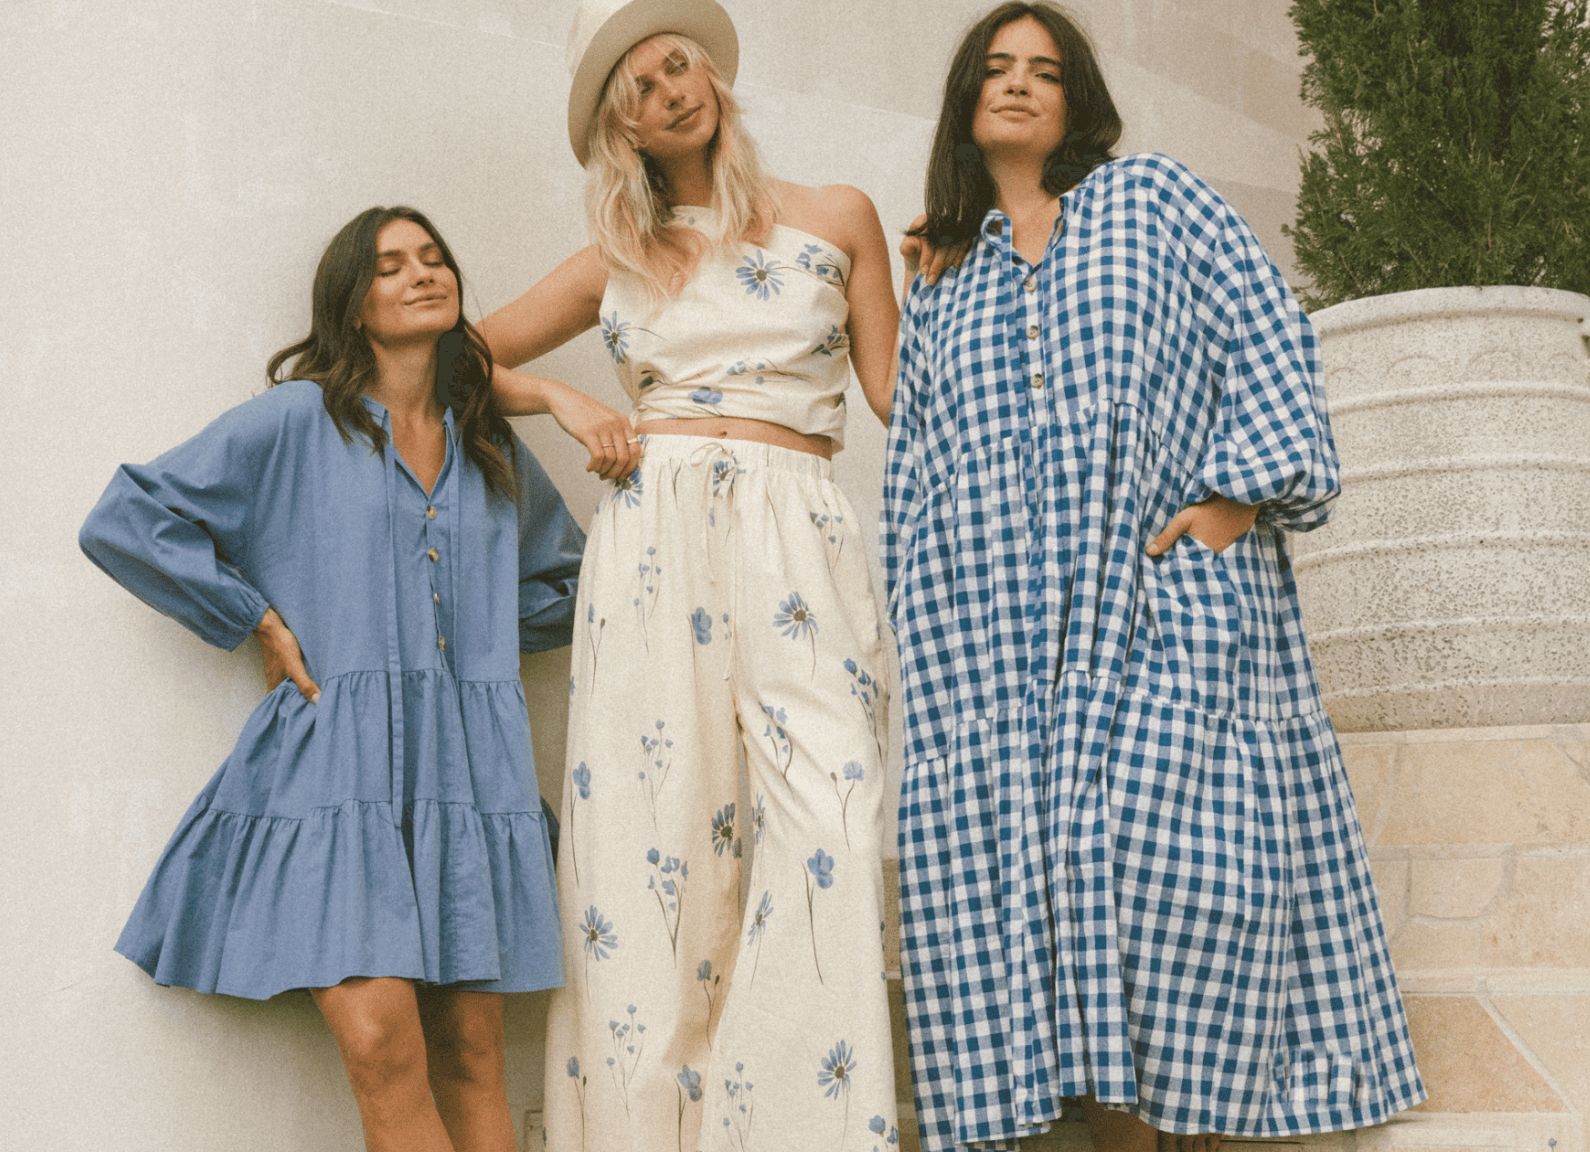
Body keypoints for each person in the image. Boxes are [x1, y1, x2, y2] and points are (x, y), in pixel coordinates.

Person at [885, 6, 1427, 1152]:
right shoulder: (942, 273)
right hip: (1001, 646)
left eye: (1045, 71)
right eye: (996, 70)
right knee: (1035, 910)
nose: (1020, 87)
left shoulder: (1154, 202)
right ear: (963, 102)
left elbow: (1268, 330)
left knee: (1167, 888)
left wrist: (1236, 503)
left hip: (1159, 608)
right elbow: (919, 462)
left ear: (1077, 98)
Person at [476, 0, 903, 1146]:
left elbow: (896, 398)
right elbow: (460, 356)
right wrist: (565, 400)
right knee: (654, 838)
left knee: (836, 810)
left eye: (677, 66)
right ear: (628, 133)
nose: (672, 90)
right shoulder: (613, 260)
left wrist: (951, 283)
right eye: (642, 91)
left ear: (705, 69)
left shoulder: (837, 216)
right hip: (654, 537)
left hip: (799, 528)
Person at [79, 206, 586, 1152]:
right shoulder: (298, 420)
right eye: (391, 266)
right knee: (380, 1042)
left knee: (476, 1054)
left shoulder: (485, 442)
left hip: (468, 776)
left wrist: (465, 631)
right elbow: (128, 516)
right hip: (332, 769)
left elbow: (568, 584)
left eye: (435, 257)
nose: (422, 274)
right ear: (353, 304)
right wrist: (255, 619)